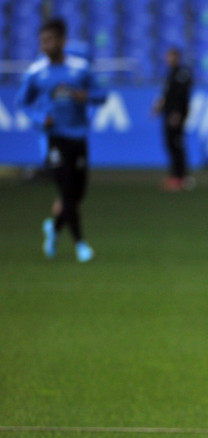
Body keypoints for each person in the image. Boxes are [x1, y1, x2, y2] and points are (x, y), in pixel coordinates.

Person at [16, 17, 108, 263]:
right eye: (42, 41)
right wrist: (39, 118)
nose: (45, 45)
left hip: (78, 137)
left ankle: (54, 229)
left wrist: (86, 96)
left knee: (77, 193)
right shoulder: (37, 72)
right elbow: (22, 102)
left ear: (62, 41)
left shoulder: (80, 68)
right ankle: (80, 244)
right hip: (54, 139)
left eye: (49, 40)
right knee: (66, 191)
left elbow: (101, 96)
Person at [153, 47, 193, 191]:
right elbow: (167, 94)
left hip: (176, 115)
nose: (168, 59)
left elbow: (182, 96)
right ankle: (174, 175)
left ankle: (181, 177)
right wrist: (159, 106)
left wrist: (177, 113)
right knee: (170, 145)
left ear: (177, 57)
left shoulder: (183, 73)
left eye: (170, 56)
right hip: (168, 113)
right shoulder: (171, 73)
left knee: (177, 146)